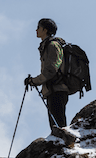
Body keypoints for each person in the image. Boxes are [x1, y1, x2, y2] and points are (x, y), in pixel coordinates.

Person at [24, 18, 78, 146]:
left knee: (59, 126)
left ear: (45, 30)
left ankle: (65, 148)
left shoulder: (52, 45)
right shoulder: (47, 45)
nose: (36, 30)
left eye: (39, 27)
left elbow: (51, 70)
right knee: (56, 124)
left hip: (57, 89)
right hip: (54, 90)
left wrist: (34, 81)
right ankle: (62, 148)